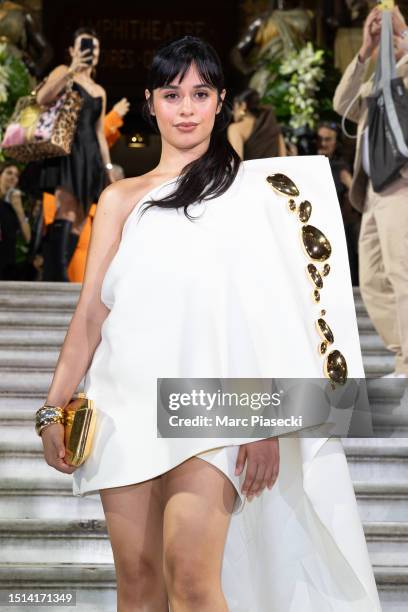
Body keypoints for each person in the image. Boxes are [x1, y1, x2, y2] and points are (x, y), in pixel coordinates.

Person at [36, 36, 381, 611]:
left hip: (211, 405)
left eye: (201, 93)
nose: (187, 108)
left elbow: (272, 308)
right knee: (139, 586)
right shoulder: (122, 198)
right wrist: (53, 405)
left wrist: (265, 417)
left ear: (221, 101)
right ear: (151, 102)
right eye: (173, 95)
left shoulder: (251, 192)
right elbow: (92, 314)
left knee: (193, 582)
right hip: (122, 406)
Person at [333, 4, 408, 377]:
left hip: (402, 185)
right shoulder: (374, 81)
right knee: (374, 279)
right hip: (375, 191)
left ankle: (407, 362)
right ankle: (403, 352)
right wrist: (365, 50)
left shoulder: (405, 77)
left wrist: (404, 40)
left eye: (393, 35)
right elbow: (341, 104)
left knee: (402, 273)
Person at [33, 26, 115, 282]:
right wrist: (71, 69)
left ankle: (56, 274)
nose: (91, 52)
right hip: (68, 149)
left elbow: (100, 132)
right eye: (84, 46)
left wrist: (109, 168)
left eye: (94, 47)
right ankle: (56, 275)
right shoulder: (63, 73)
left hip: (90, 156)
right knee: (65, 209)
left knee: (80, 219)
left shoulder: (99, 90)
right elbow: (41, 98)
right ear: (72, 50)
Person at [317, 121, 361, 285]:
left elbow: (357, 195)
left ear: (336, 141)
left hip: (341, 223)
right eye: (320, 139)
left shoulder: (344, 164)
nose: (323, 143)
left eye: (328, 139)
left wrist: (349, 183)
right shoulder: (309, 157)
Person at [228, 88, 286, 159]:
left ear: (243, 105)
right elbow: (283, 156)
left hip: (251, 170)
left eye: (234, 107)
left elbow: (238, 164)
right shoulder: (271, 122)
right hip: (277, 169)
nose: (232, 112)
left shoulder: (235, 129)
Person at [0, 162, 31, 279]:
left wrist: (19, 210)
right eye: (9, 173)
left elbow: (28, 238)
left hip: (8, 264)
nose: (13, 177)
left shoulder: (14, 205)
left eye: (16, 175)